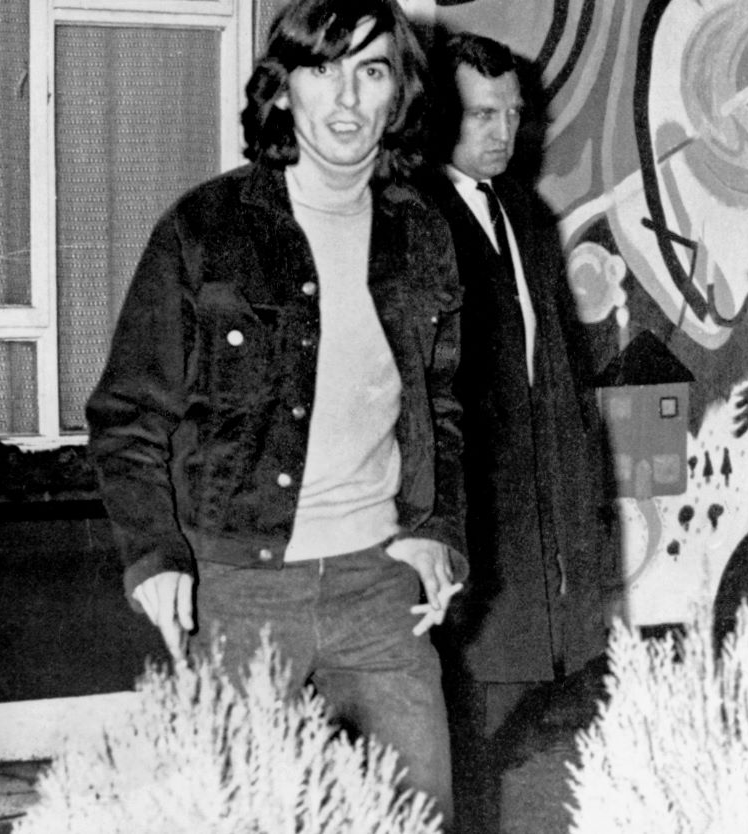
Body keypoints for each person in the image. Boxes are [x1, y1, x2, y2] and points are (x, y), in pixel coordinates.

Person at [86, 0, 466, 822]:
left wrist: (436, 531)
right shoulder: (205, 228)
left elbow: (441, 405)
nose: (345, 100)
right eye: (320, 69)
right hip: (239, 589)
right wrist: (155, 557)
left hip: (379, 586)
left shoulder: (423, 232)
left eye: (371, 71)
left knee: (419, 817)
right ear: (282, 87)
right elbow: (126, 418)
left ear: (399, 93)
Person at [416, 30, 614, 803]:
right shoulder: (414, 219)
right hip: (460, 519)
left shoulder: (525, 215)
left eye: (512, 114)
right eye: (481, 115)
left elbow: (556, 380)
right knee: (459, 724)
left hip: (536, 519)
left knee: (511, 719)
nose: (503, 133)